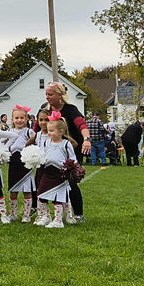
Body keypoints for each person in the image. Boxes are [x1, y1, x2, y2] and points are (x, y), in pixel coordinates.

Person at [41, 81, 90, 223]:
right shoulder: (45, 110)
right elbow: (37, 128)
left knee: (70, 182)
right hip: (50, 150)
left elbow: (81, 124)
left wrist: (87, 139)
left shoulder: (70, 110)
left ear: (60, 95)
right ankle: (44, 214)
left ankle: (77, 214)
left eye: (50, 94)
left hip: (70, 150)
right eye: (46, 94)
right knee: (45, 180)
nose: (47, 97)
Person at [35, 114, 78, 229]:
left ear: (60, 132)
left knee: (57, 198)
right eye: (48, 131)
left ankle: (58, 220)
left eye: (52, 131)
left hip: (60, 174)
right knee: (41, 195)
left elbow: (73, 159)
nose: (49, 133)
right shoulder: (46, 143)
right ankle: (46, 216)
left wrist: (70, 169)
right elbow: (43, 155)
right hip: (47, 173)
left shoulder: (66, 144)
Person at [7, 106, 37, 223]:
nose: (19, 120)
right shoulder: (9, 132)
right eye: (17, 118)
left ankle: (26, 215)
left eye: (22, 118)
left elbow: (35, 144)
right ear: (12, 119)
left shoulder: (29, 132)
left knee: (27, 191)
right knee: (13, 190)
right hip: (13, 164)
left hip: (25, 165)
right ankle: (13, 213)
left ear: (26, 119)